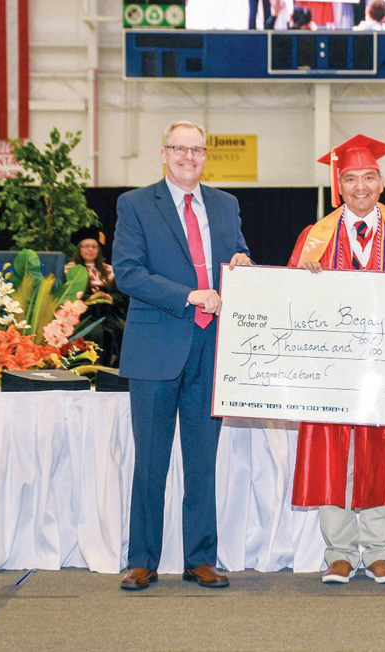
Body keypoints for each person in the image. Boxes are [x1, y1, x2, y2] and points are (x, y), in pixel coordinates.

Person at [288, 134, 385, 585]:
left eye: (368, 177)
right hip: (332, 373)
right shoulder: (313, 239)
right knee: (331, 449)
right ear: (339, 184)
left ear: (382, 182)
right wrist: (304, 279)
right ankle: (338, 551)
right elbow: (290, 308)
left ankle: (378, 550)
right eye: (350, 178)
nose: (359, 187)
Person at [112, 120, 252, 591]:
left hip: (212, 350)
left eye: (197, 150)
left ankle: (201, 558)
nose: (189, 157)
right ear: (164, 152)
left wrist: (244, 266)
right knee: (150, 462)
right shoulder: (134, 204)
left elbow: (238, 255)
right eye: (180, 149)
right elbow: (128, 274)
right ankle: (142, 559)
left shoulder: (225, 204)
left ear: (205, 155)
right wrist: (190, 295)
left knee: (202, 460)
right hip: (155, 350)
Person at [65, 228, 126, 365]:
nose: (90, 250)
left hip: (108, 315)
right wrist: (89, 299)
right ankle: (94, 369)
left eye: (94, 246)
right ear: (79, 249)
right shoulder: (70, 269)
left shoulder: (109, 271)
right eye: (86, 246)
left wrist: (110, 298)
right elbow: (68, 296)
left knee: (125, 329)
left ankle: (118, 370)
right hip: (83, 317)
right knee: (97, 333)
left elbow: (122, 296)